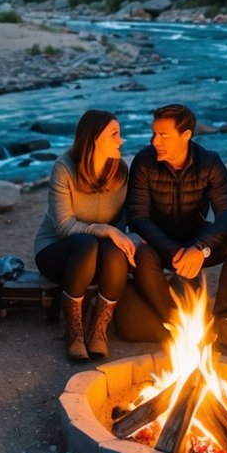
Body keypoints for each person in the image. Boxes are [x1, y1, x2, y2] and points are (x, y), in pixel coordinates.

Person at [127, 102, 227, 357]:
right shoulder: (144, 161)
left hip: (197, 237)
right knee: (141, 254)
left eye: (163, 135)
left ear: (186, 135)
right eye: (154, 133)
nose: (155, 141)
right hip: (159, 242)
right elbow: (138, 217)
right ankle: (176, 324)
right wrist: (176, 251)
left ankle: (226, 322)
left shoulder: (209, 162)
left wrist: (201, 248)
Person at [34, 109, 136, 361]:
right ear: (93, 139)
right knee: (87, 244)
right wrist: (106, 229)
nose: (120, 140)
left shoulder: (121, 171)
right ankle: (75, 332)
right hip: (57, 251)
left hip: (101, 254)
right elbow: (64, 226)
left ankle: (99, 330)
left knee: (115, 249)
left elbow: (126, 219)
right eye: (114, 134)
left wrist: (129, 236)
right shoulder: (64, 168)